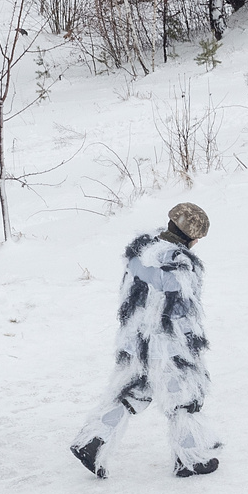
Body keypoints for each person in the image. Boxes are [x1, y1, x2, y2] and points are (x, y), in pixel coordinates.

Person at [71, 203, 222, 479]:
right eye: (199, 236)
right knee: (184, 398)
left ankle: (93, 441)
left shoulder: (141, 252)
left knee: (133, 391)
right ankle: (189, 457)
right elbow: (180, 310)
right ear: (191, 236)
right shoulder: (181, 264)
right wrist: (192, 343)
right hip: (167, 346)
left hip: (134, 339)